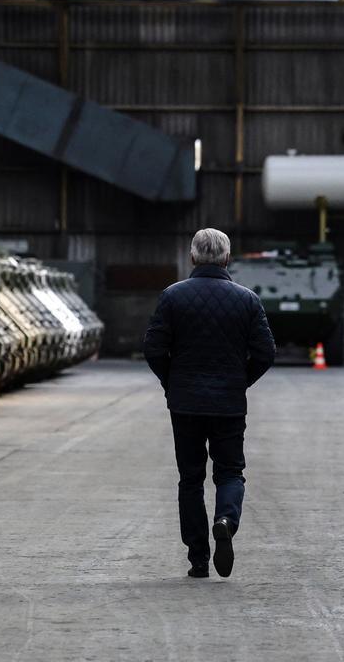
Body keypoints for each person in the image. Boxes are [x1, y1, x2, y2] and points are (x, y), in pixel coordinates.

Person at [142, 228, 276, 579]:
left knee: (190, 478)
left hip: (185, 404)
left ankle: (198, 559)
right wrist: (239, 381)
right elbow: (266, 351)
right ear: (227, 259)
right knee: (230, 471)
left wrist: (172, 382)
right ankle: (226, 519)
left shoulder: (172, 297)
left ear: (192, 258)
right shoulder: (247, 300)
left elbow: (153, 347)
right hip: (228, 404)